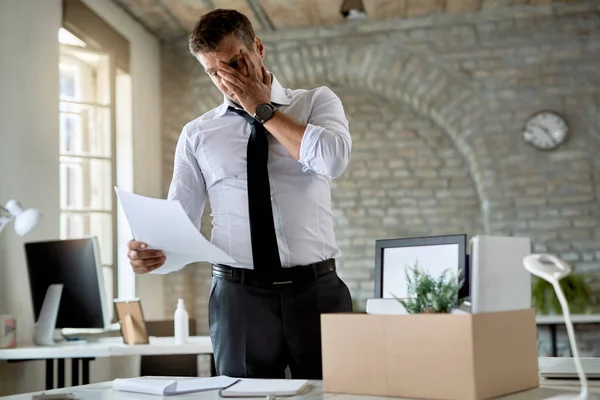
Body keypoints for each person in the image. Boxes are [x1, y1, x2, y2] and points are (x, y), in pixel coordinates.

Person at [126, 8, 353, 380]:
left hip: (317, 292)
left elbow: (333, 159)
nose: (227, 79)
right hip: (239, 298)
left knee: (335, 393)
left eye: (235, 62)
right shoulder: (197, 134)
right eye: (214, 72)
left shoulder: (315, 103)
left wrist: (261, 110)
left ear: (258, 48)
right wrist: (152, 255)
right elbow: (178, 222)